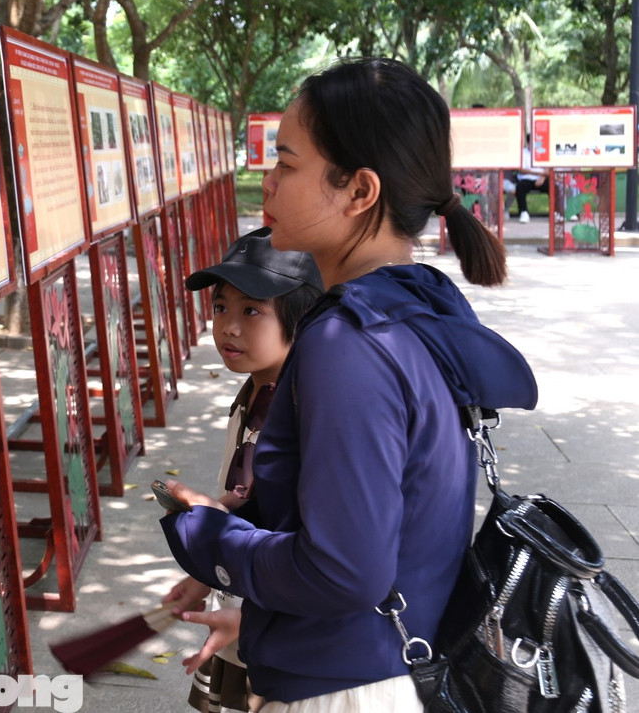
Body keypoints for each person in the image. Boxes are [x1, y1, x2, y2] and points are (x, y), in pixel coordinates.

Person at [158, 58, 538, 712]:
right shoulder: (417, 306)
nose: (267, 182)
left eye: (286, 163)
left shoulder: (347, 341)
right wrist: (244, 524)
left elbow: (345, 570)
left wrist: (211, 543)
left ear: (359, 191)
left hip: (346, 690)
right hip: (384, 665)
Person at [163, 227, 323, 713]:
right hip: (239, 608)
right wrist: (209, 569)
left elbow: (303, 544)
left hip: (274, 625)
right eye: (221, 307)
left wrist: (251, 616)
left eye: (251, 310)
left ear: (300, 319)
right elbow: (242, 508)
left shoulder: (302, 412)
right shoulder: (255, 390)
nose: (228, 326)